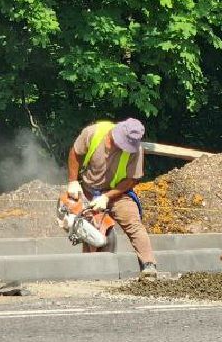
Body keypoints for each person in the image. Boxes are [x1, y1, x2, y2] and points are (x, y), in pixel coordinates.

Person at [67, 118, 159, 278]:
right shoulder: (93, 133)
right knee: (89, 228)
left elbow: (133, 179)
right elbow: (75, 153)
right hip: (89, 189)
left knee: (133, 223)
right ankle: (89, 270)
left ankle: (149, 265)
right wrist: (73, 181)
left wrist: (106, 197)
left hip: (118, 193)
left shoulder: (135, 149)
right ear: (118, 133)